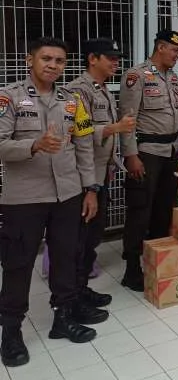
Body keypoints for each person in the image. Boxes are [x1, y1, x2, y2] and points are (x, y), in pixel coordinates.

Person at [0, 38, 103, 367]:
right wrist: (33, 145)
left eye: (60, 60)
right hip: (24, 199)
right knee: (18, 264)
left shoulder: (72, 101)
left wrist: (91, 189)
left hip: (68, 195)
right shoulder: (10, 97)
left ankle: (63, 318)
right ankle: (11, 332)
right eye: (46, 58)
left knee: (65, 258)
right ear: (30, 59)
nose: (53, 65)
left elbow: (85, 145)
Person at [118, 29, 178, 291]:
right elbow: (127, 119)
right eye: (175, 51)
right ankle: (132, 269)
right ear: (160, 48)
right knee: (140, 210)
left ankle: (157, 259)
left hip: (171, 150)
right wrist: (130, 155)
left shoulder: (173, 79)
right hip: (147, 153)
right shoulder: (136, 76)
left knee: (163, 209)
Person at [66, 38, 137, 314]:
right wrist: (115, 127)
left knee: (92, 237)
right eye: (110, 58)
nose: (115, 63)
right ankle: (71, 297)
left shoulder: (103, 88)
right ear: (92, 58)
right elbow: (77, 133)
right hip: (84, 176)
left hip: (101, 172)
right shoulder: (77, 90)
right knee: (80, 238)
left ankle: (81, 289)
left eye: (117, 58)